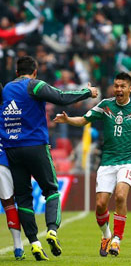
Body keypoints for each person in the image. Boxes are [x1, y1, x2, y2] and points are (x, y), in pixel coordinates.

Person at [0, 56, 98, 260]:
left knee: (23, 198)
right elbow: (61, 97)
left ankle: (34, 243)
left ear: (17, 72)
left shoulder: (7, 89)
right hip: (35, 146)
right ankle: (52, 230)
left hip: (12, 149)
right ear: (34, 72)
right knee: (52, 190)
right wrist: (87, 92)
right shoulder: (35, 85)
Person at [53, 72, 131, 257]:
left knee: (120, 196)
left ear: (130, 88)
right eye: (116, 85)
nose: (118, 89)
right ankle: (106, 235)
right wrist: (68, 119)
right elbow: (84, 119)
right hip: (108, 160)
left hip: (129, 160)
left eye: (122, 86)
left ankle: (117, 239)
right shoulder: (105, 105)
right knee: (101, 204)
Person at [0, 143, 24, 260]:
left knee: (8, 202)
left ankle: (18, 246)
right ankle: (18, 246)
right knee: (8, 202)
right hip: (2, 161)